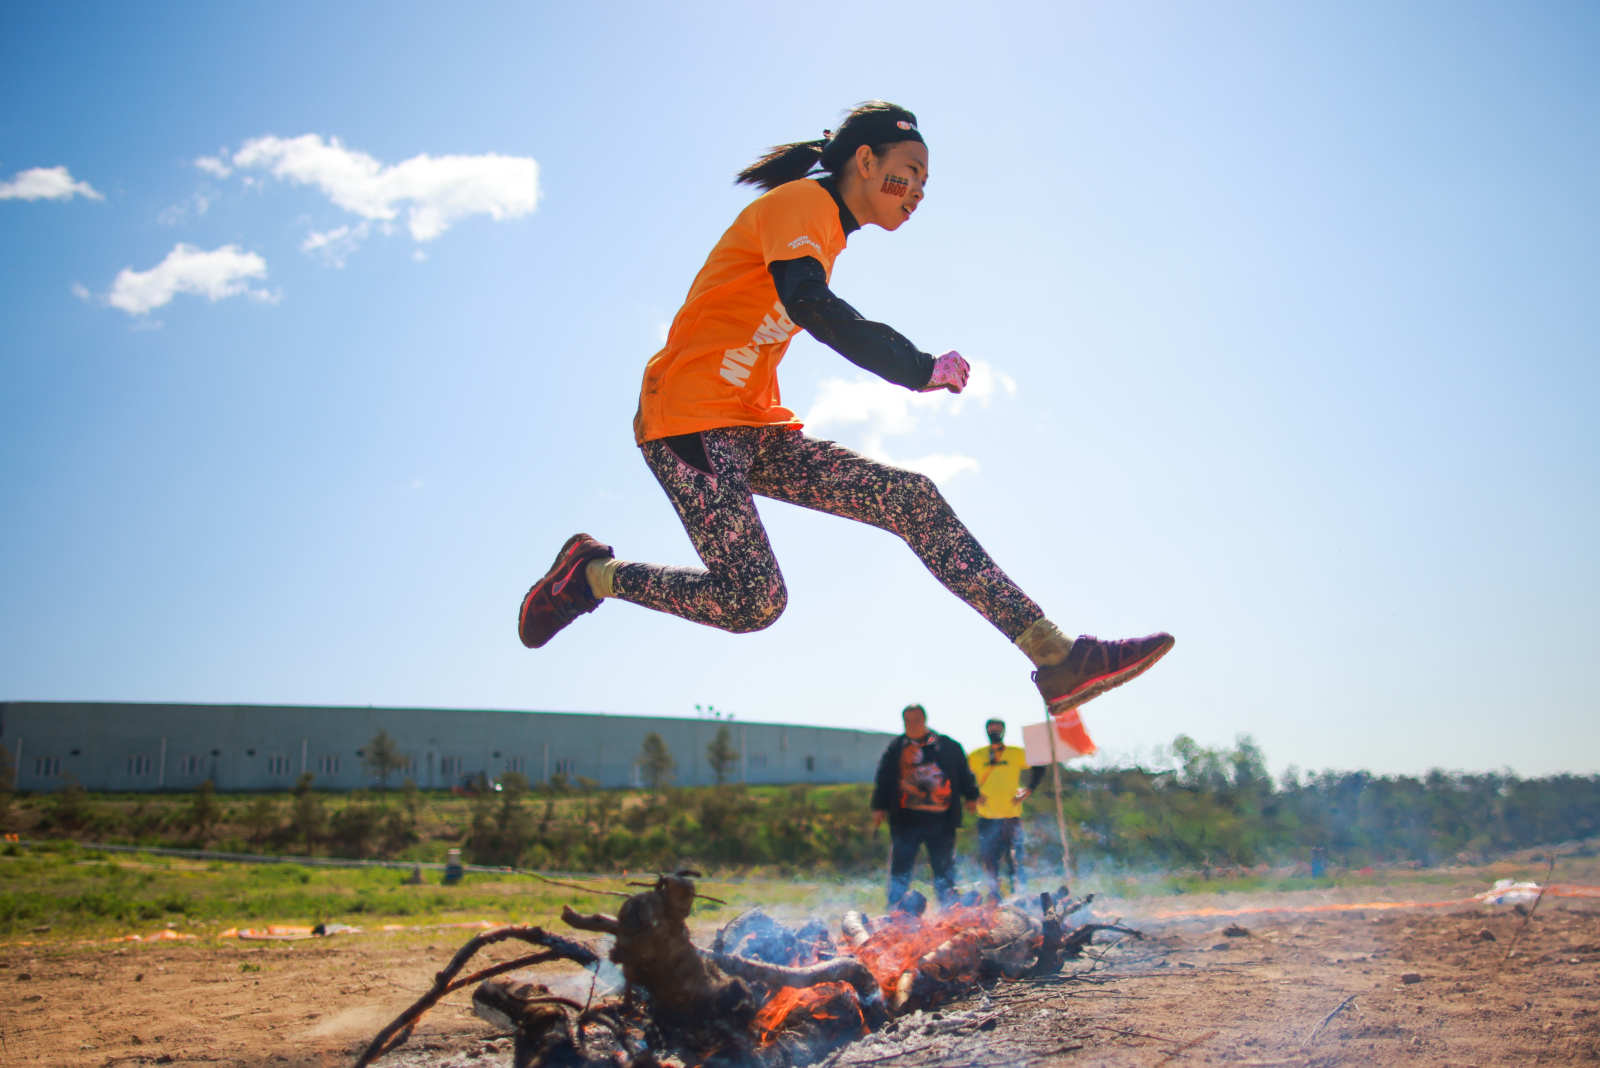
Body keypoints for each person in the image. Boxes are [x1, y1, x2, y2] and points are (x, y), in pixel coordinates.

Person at [517, 101, 1174, 718]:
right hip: (687, 418)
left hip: (752, 424)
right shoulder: (804, 203)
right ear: (865, 161)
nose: (918, 190)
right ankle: (591, 575)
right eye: (908, 172)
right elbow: (810, 304)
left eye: (925, 180)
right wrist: (918, 367)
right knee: (754, 601)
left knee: (910, 498)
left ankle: (1058, 658)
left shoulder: (827, 227)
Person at [870, 703, 979, 909]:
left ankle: (949, 911)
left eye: (916, 720)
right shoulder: (896, 748)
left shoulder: (947, 746)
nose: (912, 724)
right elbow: (883, 777)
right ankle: (894, 911)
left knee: (944, 869)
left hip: (941, 821)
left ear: (925, 720)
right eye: (908, 721)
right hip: (905, 821)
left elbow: (964, 772)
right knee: (900, 868)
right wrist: (879, 807)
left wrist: (971, 795)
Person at [968, 718, 1046, 901]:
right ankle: (995, 895)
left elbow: (1040, 764)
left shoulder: (1015, 753)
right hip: (986, 815)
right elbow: (962, 775)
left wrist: (1030, 789)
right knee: (989, 859)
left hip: (1010, 815)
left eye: (998, 729)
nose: (994, 732)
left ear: (1004, 731)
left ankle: (1018, 894)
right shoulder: (977, 755)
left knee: (1015, 859)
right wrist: (972, 793)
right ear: (986, 731)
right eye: (991, 729)